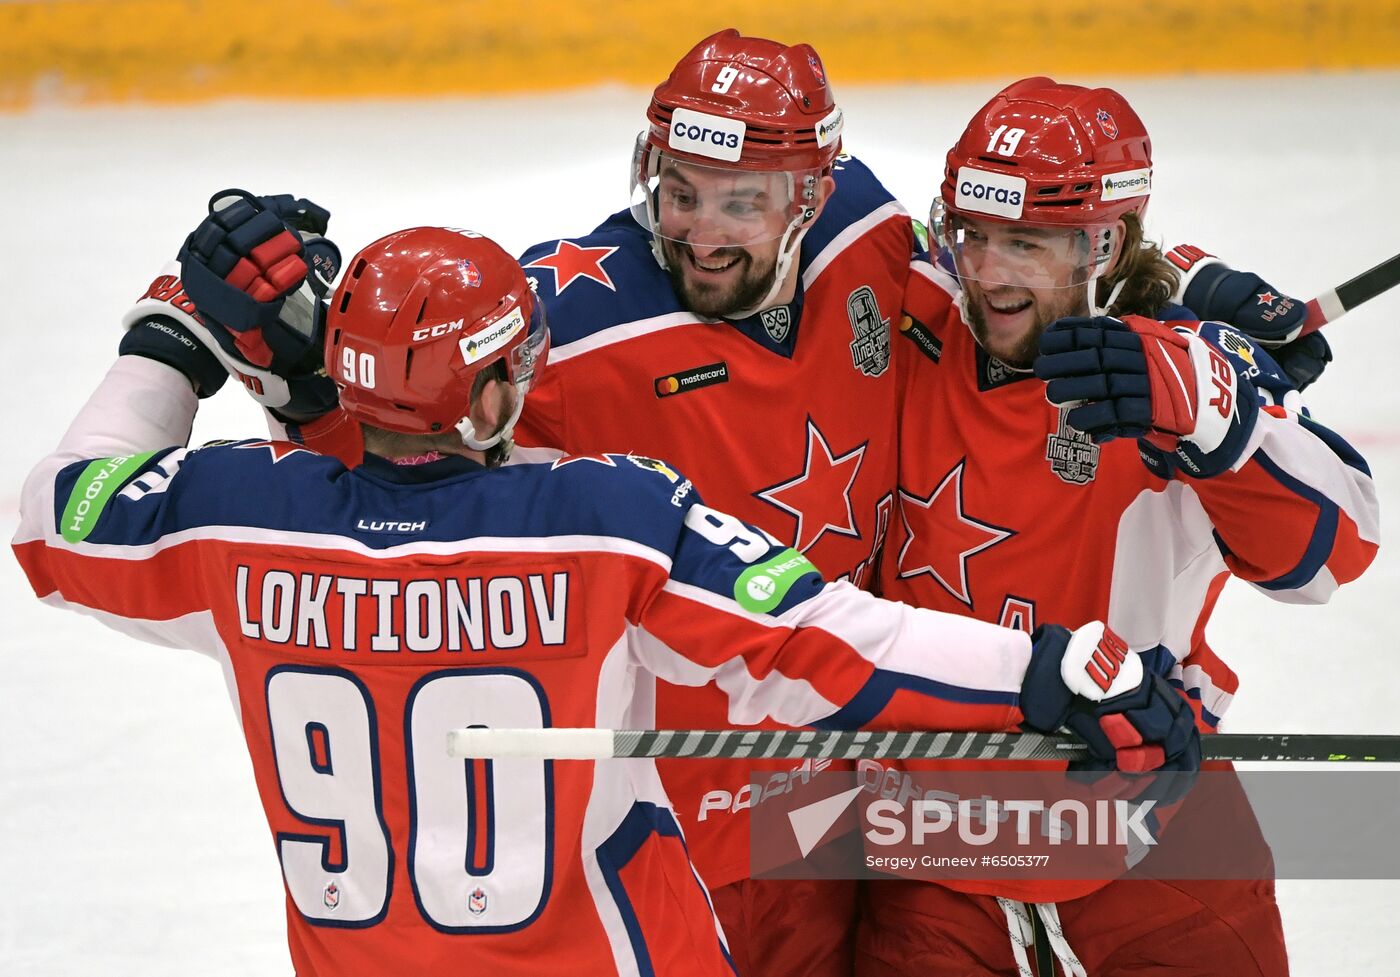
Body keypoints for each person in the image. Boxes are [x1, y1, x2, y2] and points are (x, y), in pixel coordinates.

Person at [12, 216, 1200, 977]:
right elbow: (829, 643)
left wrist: (174, 336)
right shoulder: (603, 519)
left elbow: (54, 511)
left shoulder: (236, 518)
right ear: (490, 396)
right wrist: (1051, 672)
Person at [858, 77, 1379, 976]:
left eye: (1027, 243)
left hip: (1154, 838)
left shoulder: (1182, 362)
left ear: (1105, 245)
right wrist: (1194, 267)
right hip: (930, 849)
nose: (988, 272)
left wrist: (1218, 415)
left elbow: (1336, 553)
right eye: (974, 234)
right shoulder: (918, 306)